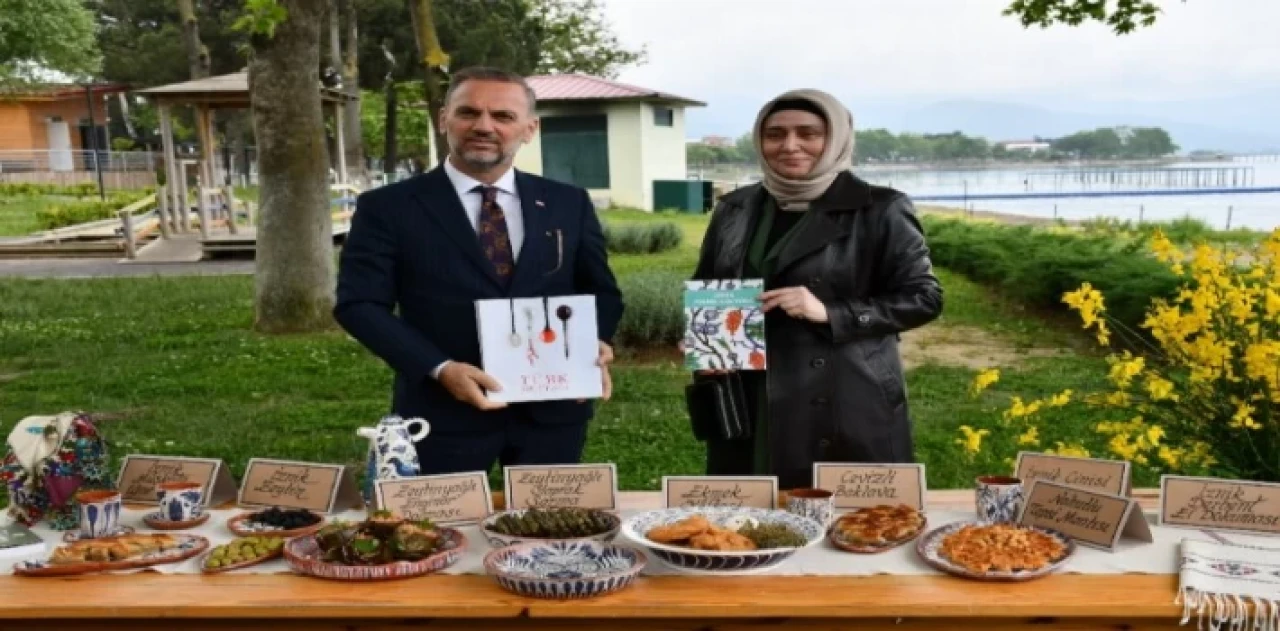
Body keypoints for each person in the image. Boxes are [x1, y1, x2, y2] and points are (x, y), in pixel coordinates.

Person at [334, 66, 624, 475]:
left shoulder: (567, 203)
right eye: (468, 112)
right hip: (441, 414)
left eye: (503, 116)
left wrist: (593, 341)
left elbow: (601, 291)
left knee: (542, 533)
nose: (484, 126)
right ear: (443, 119)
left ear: (529, 128)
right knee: (443, 534)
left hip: (553, 415)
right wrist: (440, 368)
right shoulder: (388, 207)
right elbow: (359, 304)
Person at [690, 89, 943, 490]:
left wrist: (830, 311)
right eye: (775, 135)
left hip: (841, 392)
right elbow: (709, 284)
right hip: (747, 392)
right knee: (745, 516)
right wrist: (706, 348)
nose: (790, 146)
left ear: (836, 139)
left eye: (808, 133)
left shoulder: (880, 208)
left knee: (845, 523)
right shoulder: (735, 208)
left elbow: (924, 298)